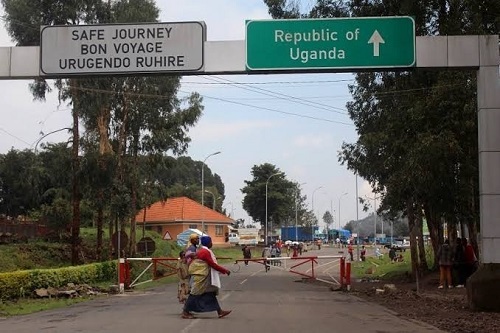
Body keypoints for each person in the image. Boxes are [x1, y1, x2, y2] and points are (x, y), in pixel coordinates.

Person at [182, 235, 231, 319]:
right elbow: (212, 264)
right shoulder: (205, 252)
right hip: (200, 276)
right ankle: (185, 312)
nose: (212, 243)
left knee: (210, 293)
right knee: (194, 294)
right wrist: (225, 270)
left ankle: (219, 311)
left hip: (204, 276)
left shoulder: (202, 250)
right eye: (211, 242)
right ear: (208, 243)